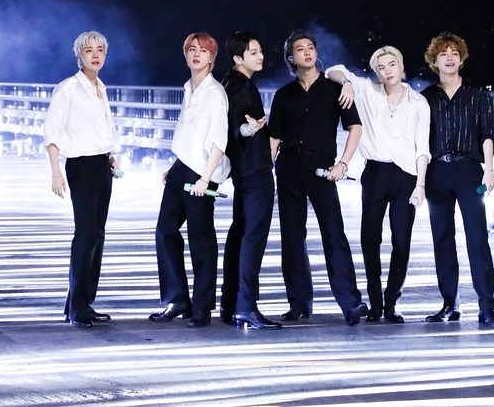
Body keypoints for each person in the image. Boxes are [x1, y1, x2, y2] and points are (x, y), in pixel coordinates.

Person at [268, 29, 369, 326]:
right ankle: (299, 303)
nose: (307, 52)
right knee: (292, 237)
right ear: (292, 58)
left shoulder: (336, 88)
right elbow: (273, 138)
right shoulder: (283, 95)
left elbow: (356, 128)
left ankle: (351, 303)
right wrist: (264, 173)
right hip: (287, 168)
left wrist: (343, 164)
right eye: (300, 49)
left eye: (311, 47)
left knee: (334, 235)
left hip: (322, 170)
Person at [326, 46, 431, 323]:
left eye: (392, 65)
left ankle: (391, 301)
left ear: (401, 65)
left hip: (407, 176)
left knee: (402, 240)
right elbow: (332, 70)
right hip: (374, 172)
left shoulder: (418, 102)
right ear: (377, 72)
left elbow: (423, 148)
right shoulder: (368, 91)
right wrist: (348, 83)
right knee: (370, 238)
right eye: (381, 67)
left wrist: (420, 184)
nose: (387, 71)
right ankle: (374, 302)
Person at [420, 32, 494, 329]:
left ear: (461, 58)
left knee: (477, 239)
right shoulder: (425, 98)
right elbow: (418, 141)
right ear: (434, 60)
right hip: (436, 172)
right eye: (443, 53)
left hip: (469, 171)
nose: (450, 57)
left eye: (454, 52)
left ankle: (487, 307)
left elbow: (487, 134)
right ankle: (449, 303)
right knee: (442, 239)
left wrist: (489, 168)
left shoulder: (478, 94)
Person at [151, 32, 231, 327]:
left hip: (202, 174)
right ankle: (178, 298)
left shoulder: (214, 93)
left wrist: (205, 179)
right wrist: (173, 168)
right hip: (180, 169)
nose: (196, 54)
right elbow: (189, 135)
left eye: (203, 50)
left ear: (212, 57)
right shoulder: (189, 89)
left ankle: (202, 307)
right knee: (164, 232)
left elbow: (218, 142)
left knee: (201, 240)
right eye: (191, 50)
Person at [43, 31, 122, 328]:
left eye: (100, 49)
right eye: (89, 50)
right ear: (79, 56)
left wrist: (111, 157)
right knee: (85, 235)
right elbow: (52, 132)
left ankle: (81, 302)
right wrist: (55, 172)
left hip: (102, 165)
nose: (95, 54)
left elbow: (103, 131)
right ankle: (78, 307)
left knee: (97, 236)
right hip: (80, 167)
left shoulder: (100, 87)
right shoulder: (68, 89)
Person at [219, 32, 281, 330]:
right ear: (237, 58)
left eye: (260, 51)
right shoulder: (241, 86)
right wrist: (248, 130)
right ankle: (246, 306)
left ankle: (231, 304)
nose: (260, 56)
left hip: (243, 171)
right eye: (253, 52)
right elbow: (235, 127)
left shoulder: (229, 83)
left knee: (240, 234)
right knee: (252, 238)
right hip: (254, 170)